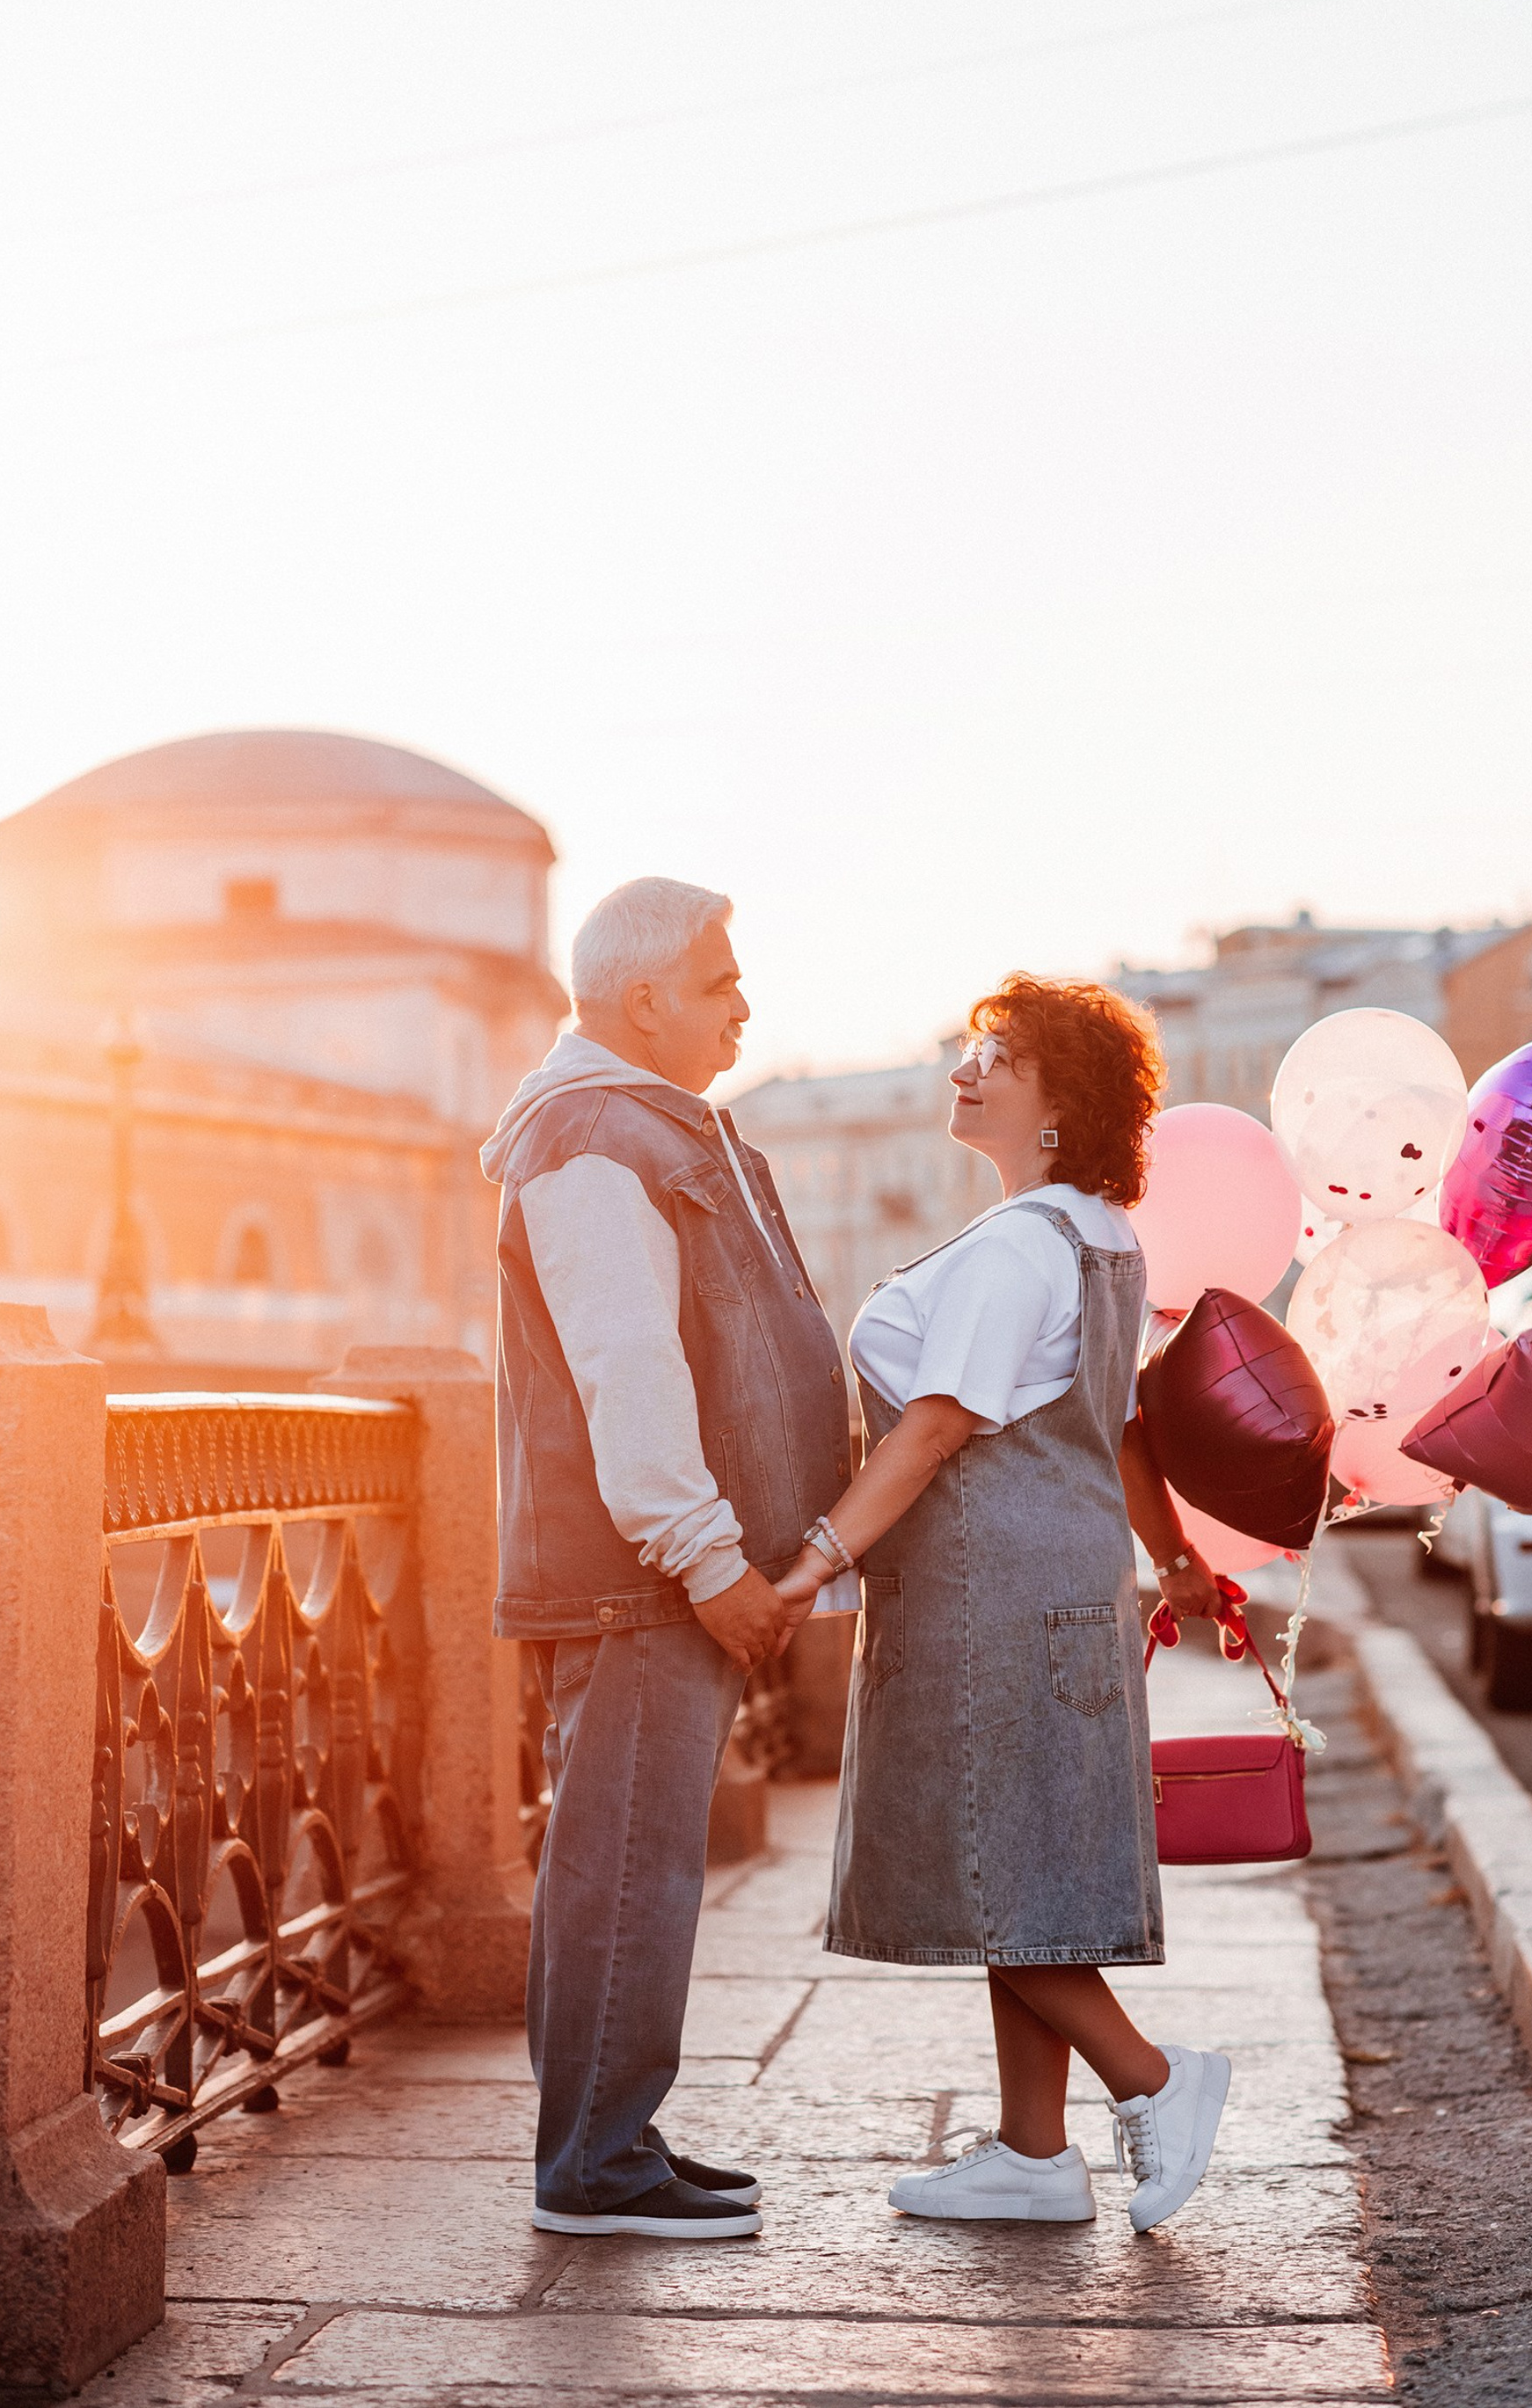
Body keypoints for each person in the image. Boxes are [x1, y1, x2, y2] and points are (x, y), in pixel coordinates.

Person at [771, 973, 1237, 2233]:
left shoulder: (1019, 1249)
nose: (967, 1071)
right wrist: (1178, 1559)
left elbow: (933, 1431)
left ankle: (1155, 2081)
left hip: (990, 1594)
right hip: (1069, 1581)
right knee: (1020, 1866)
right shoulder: (1102, 1239)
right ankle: (1034, 2155)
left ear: (1057, 1107)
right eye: (972, 1050)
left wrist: (815, 1558)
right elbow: (1123, 1426)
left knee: (994, 1868)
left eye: (1002, 1056)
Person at [480, 878, 851, 2241]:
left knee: (632, 1862)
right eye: (720, 981)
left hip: (660, 1575)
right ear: (645, 1001)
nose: (742, 1002)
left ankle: (611, 2136)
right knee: (628, 1867)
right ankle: (592, 2166)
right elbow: (626, 1367)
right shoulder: (590, 1140)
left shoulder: (640, 1127)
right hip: (643, 1580)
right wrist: (708, 1561)